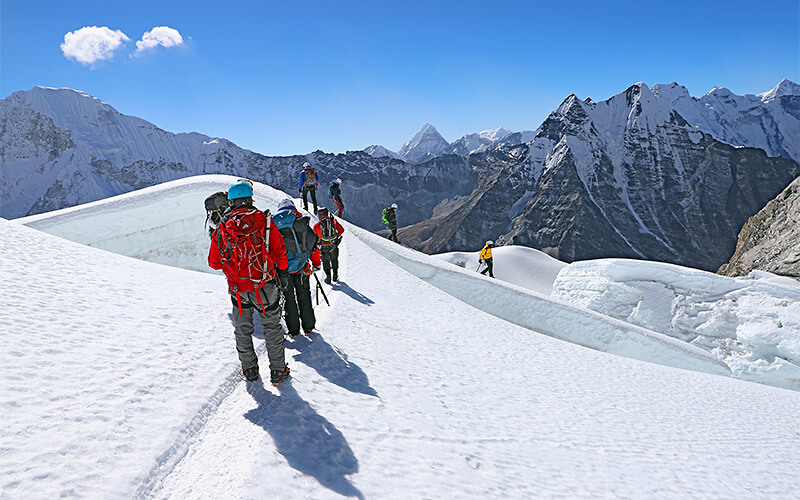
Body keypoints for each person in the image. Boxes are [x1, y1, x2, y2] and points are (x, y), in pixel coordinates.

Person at [208, 181, 291, 385]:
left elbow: (214, 263)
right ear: (250, 199)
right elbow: (279, 251)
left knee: (242, 329)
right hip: (265, 285)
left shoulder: (222, 228)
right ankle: (278, 371)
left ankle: (249, 369)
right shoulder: (265, 221)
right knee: (272, 327)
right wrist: (283, 275)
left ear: (232, 202)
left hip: (238, 289)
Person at [272, 198, 322, 336]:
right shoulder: (301, 222)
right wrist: (316, 264)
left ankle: (294, 331)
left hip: (282, 270)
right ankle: (308, 327)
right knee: (304, 295)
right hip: (302, 267)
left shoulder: (274, 225)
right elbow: (313, 246)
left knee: (289, 298)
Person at [313, 207, 345, 284]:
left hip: (324, 247)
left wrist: (319, 242)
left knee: (326, 261)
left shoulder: (317, 226)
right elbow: (342, 230)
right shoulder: (333, 222)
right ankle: (335, 275)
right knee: (334, 260)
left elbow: (314, 237)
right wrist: (336, 236)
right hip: (333, 245)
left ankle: (328, 277)